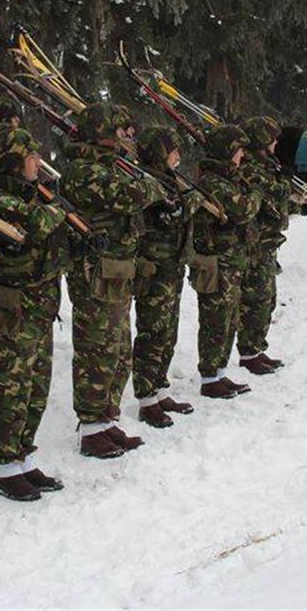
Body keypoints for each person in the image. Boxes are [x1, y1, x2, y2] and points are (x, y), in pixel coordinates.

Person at [62, 103, 166, 458]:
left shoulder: (111, 167)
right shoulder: (83, 171)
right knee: (97, 349)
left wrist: (146, 184)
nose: (128, 137)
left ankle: (106, 419)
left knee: (119, 349)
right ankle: (91, 426)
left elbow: (149, 189)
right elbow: (138, 194)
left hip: (118, 270)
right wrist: (147, 184)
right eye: (121, 131)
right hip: (96, 273)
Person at [0, 127, 68, 499]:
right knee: (9, 389)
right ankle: (5, 466)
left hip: (37, 305)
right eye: (30, 157)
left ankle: (24, 455)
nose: (37, 163)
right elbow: (37, 224)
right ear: (12, 162)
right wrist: (55, 211)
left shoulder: (30, 193)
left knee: (35, 387)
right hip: (9, 307)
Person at [132, 126, 199, 428]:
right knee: (152, 331)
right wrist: (192, 200)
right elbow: (172, 214)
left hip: (171, 265)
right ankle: (146, 398)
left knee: (168, 331)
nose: (178, 156)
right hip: (154, 268)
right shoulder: (147, 180)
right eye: (172, 150)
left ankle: (159, 388)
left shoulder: (168, 179)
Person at [191, 124, 261, 396]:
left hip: (232, 260)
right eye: (238, 150)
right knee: (215, 319)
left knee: (230, 318)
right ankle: (209, 377)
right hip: (217, 261)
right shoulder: (213, 181)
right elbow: (243, 210)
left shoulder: (228, 177)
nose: (242, 156)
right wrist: (255, 193)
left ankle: (219, 372)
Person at [235, 115, 291, 374]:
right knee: (255, 299)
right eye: (272, 138)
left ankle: (257, 347)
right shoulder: (249, 167)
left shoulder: (268, 164)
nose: (276, 143)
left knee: (267, 298)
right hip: (254, 243)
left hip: (268, 241)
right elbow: (268, 192)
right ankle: (248, 352)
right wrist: (283, 186)